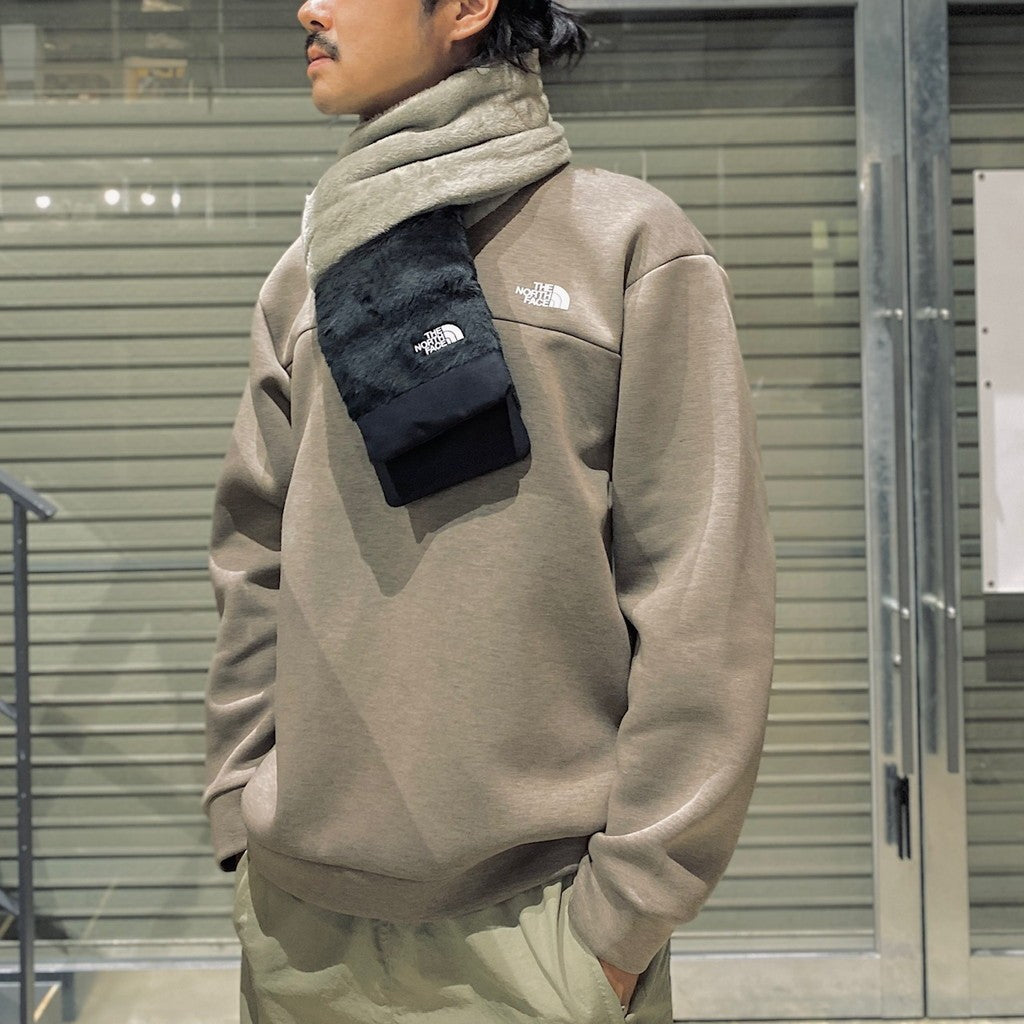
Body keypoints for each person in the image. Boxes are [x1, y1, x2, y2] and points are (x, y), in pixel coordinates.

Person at [200, 0, 777, 1021]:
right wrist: (242, 812)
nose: (308, 8)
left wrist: (622, 921)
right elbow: (255, 558)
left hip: (541, 931)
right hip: (302, 926)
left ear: (468, 7)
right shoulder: (307, 275)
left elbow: (702, 600)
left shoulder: (626, 243)